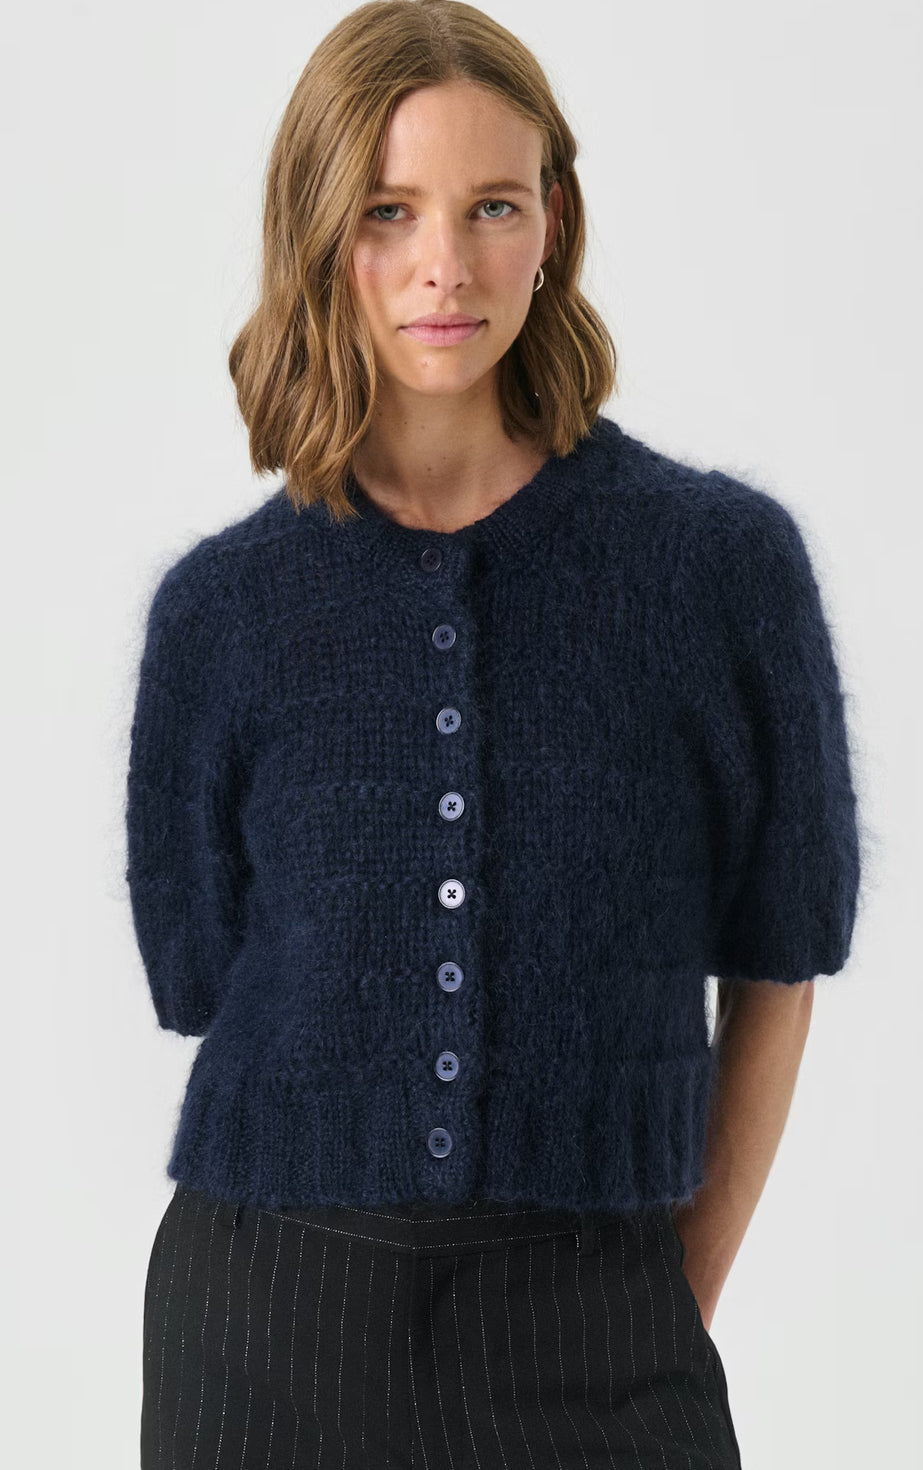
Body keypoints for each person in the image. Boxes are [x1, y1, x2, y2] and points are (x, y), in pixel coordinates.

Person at [127, 2, 863, 1466]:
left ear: (554, 223)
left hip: (601, 1326)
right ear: (318, 233)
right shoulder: (222, 613)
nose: (443, 267)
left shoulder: (718, 570)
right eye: (387, 211)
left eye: (492, 206)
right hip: (265, 1328)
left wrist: (677, 1291)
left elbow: (781, 953)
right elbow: (199, 976)